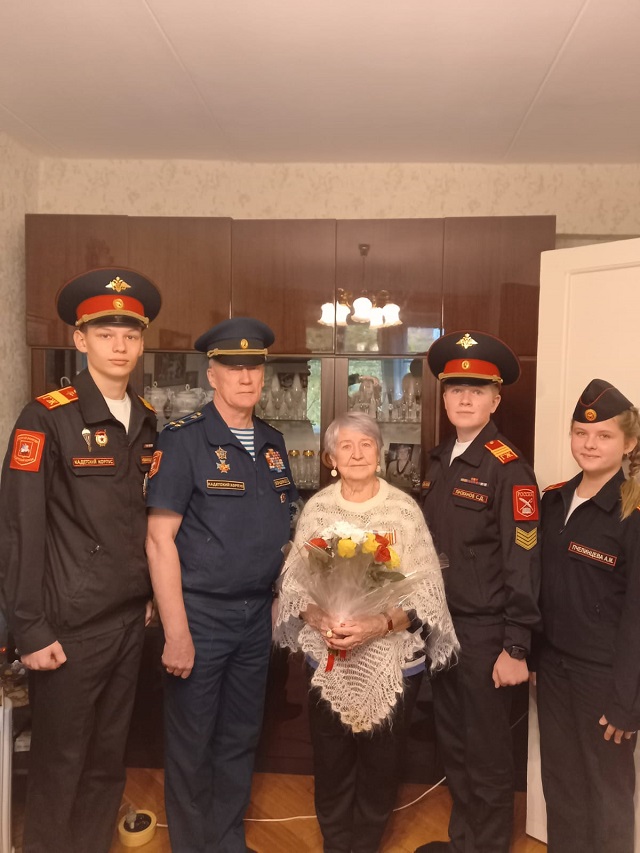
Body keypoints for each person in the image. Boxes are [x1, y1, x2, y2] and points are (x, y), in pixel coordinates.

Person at [0, 267, 161, 853]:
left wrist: (148, 596)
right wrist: (29, 627)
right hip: (67, 628)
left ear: (141, 343)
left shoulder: (145, 419)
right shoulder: (45, 416)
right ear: (80, 339)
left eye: (130, 335)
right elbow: (19, 528)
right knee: (60, 764)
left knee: (106, 761)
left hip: (127, 619)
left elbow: (140, 519)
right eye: (105, 333)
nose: (119, 346)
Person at [145, 317, 297, 853]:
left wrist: (278, 600)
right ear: (212, 374)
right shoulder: (183, 440)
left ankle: (227, 840)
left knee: (240, 736)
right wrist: (176, 632)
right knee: (192, 742)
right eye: (233, 367)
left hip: (255, 618)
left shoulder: (274, 443)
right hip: (200, 616)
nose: (246, 376)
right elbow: (159, 541)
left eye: (254, 366)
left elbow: (282, 530)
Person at [275, 411, 458, 853]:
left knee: (381, 765)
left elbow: (426, 590)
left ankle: (365, 844)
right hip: (328, 657)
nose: (356, 454)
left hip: (393, 660)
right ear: (330, 458)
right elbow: (295, 584)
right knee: (331, 761)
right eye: (346, 446)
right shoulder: (319, 509)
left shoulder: (403, 510)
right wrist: (320, 619)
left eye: (366, 445)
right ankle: (336, 844)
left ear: (379, 453)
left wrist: (378, 624)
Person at [414, 330, 542, 853]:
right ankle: (463, 840)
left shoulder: (509, 468)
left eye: (477, 390)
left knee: (487, 753)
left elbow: (524, 562)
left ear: (495, 399)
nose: (464, 399)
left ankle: (486, 846)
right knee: (454, 743)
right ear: (444, 398)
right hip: (442, 626)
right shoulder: (441, 460)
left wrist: (517, 646)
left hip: (487, 633)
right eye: (455, 389)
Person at [536, 379, 640, 853]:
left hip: (605, 678)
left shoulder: (631, 513)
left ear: (629, 443)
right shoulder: (553, 499)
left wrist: (627, 702)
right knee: (561, 784)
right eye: (581, 433)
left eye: (604, 435)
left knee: (607, 791)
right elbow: (540, 587)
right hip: (554, 670)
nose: (590, 443)